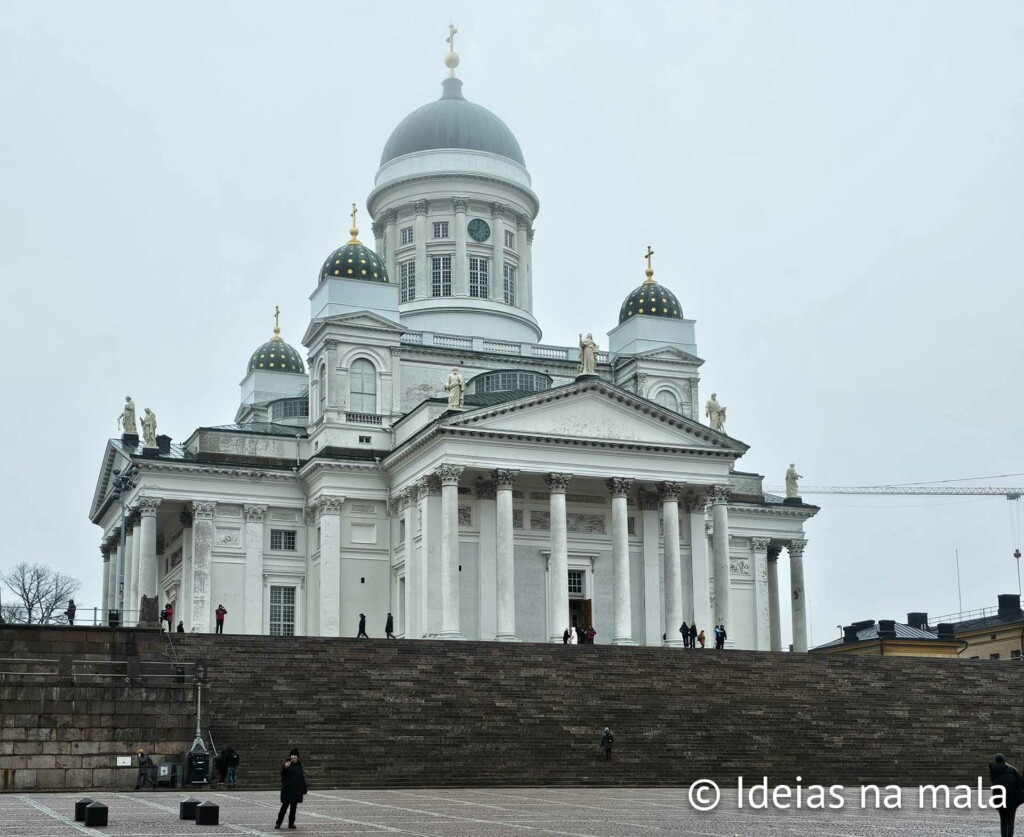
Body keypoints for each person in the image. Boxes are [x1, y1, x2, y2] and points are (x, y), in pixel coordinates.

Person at [990, 753, 1024, 837]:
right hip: (1012, 798)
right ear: (1004, 760)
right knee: (1010, 819)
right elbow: (1021, 782)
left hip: (999, 798)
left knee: (1003, 819)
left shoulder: (993, 770)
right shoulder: (1012, 770)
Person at [276, 748, 306, 829]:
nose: (293, 756)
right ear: (290, 756)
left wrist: (304, 787)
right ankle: (278, 823)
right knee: (284, 807)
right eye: (292, 755)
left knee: (293, 808)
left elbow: (301, 777)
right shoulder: (287, 764)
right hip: (287, 790)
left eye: (295, 755)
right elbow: (282, 774)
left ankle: (291, 823)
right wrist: (285, 767)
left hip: (296, 790)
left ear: (298, 757)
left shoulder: (299, 765)